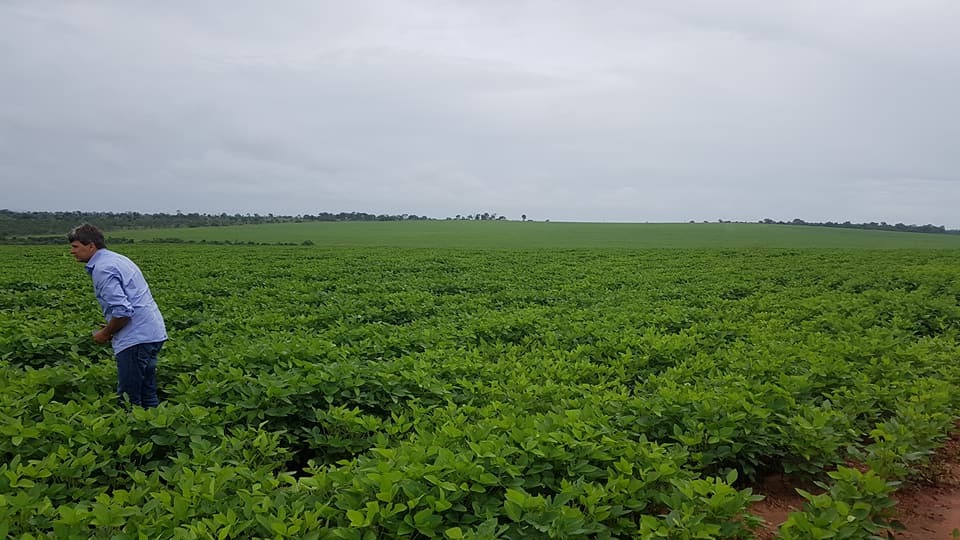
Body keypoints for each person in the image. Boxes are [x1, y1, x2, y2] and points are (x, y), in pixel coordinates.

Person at [68, 224, 167, 408]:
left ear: (90, 246)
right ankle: (153, 428)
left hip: (135, 338)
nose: (71, 252)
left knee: (129, 399)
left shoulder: (102, 268)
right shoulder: (118, 259)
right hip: (153, 332)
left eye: (75, 247)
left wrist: (105, 333)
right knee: (147, 391)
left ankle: (133, 431)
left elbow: (122, 312)